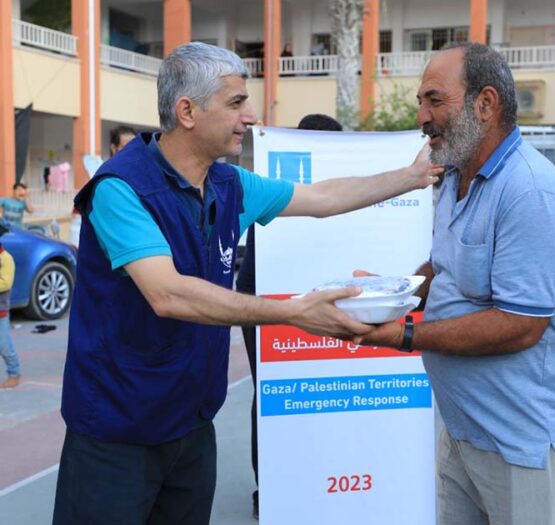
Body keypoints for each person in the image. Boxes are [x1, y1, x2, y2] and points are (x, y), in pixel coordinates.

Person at [52, 42, 442, 525]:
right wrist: (295, 312)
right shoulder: (121, 189)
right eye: (236, 103)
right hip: (116, 435)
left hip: (192, 428)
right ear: (187, 111)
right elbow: (167, 293)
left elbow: (322, 197)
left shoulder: (228, 184)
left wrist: (409, 177)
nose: (251, 116)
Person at [356, 43, 555, 525]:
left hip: (525, 447)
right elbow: (444, 269)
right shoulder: (456, 178)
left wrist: (402, 335)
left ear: (486, 104)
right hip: (464, 434)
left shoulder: (532, 192)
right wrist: (389, 293)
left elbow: (520, 325)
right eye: (421, 101)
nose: (421, 116)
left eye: (434, 100)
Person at [236, 112, 342, 519]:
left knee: (300, 390)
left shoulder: (318, 184)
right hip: (262, 298)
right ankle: (271, 488)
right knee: (274, 392)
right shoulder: (278, 182)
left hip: (301, 296)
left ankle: (303, 476)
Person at [0, 237, 18, 389]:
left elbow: (6, 283)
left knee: (4, 345)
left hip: (1, 311)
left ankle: (14, 372)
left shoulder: (6, 259)